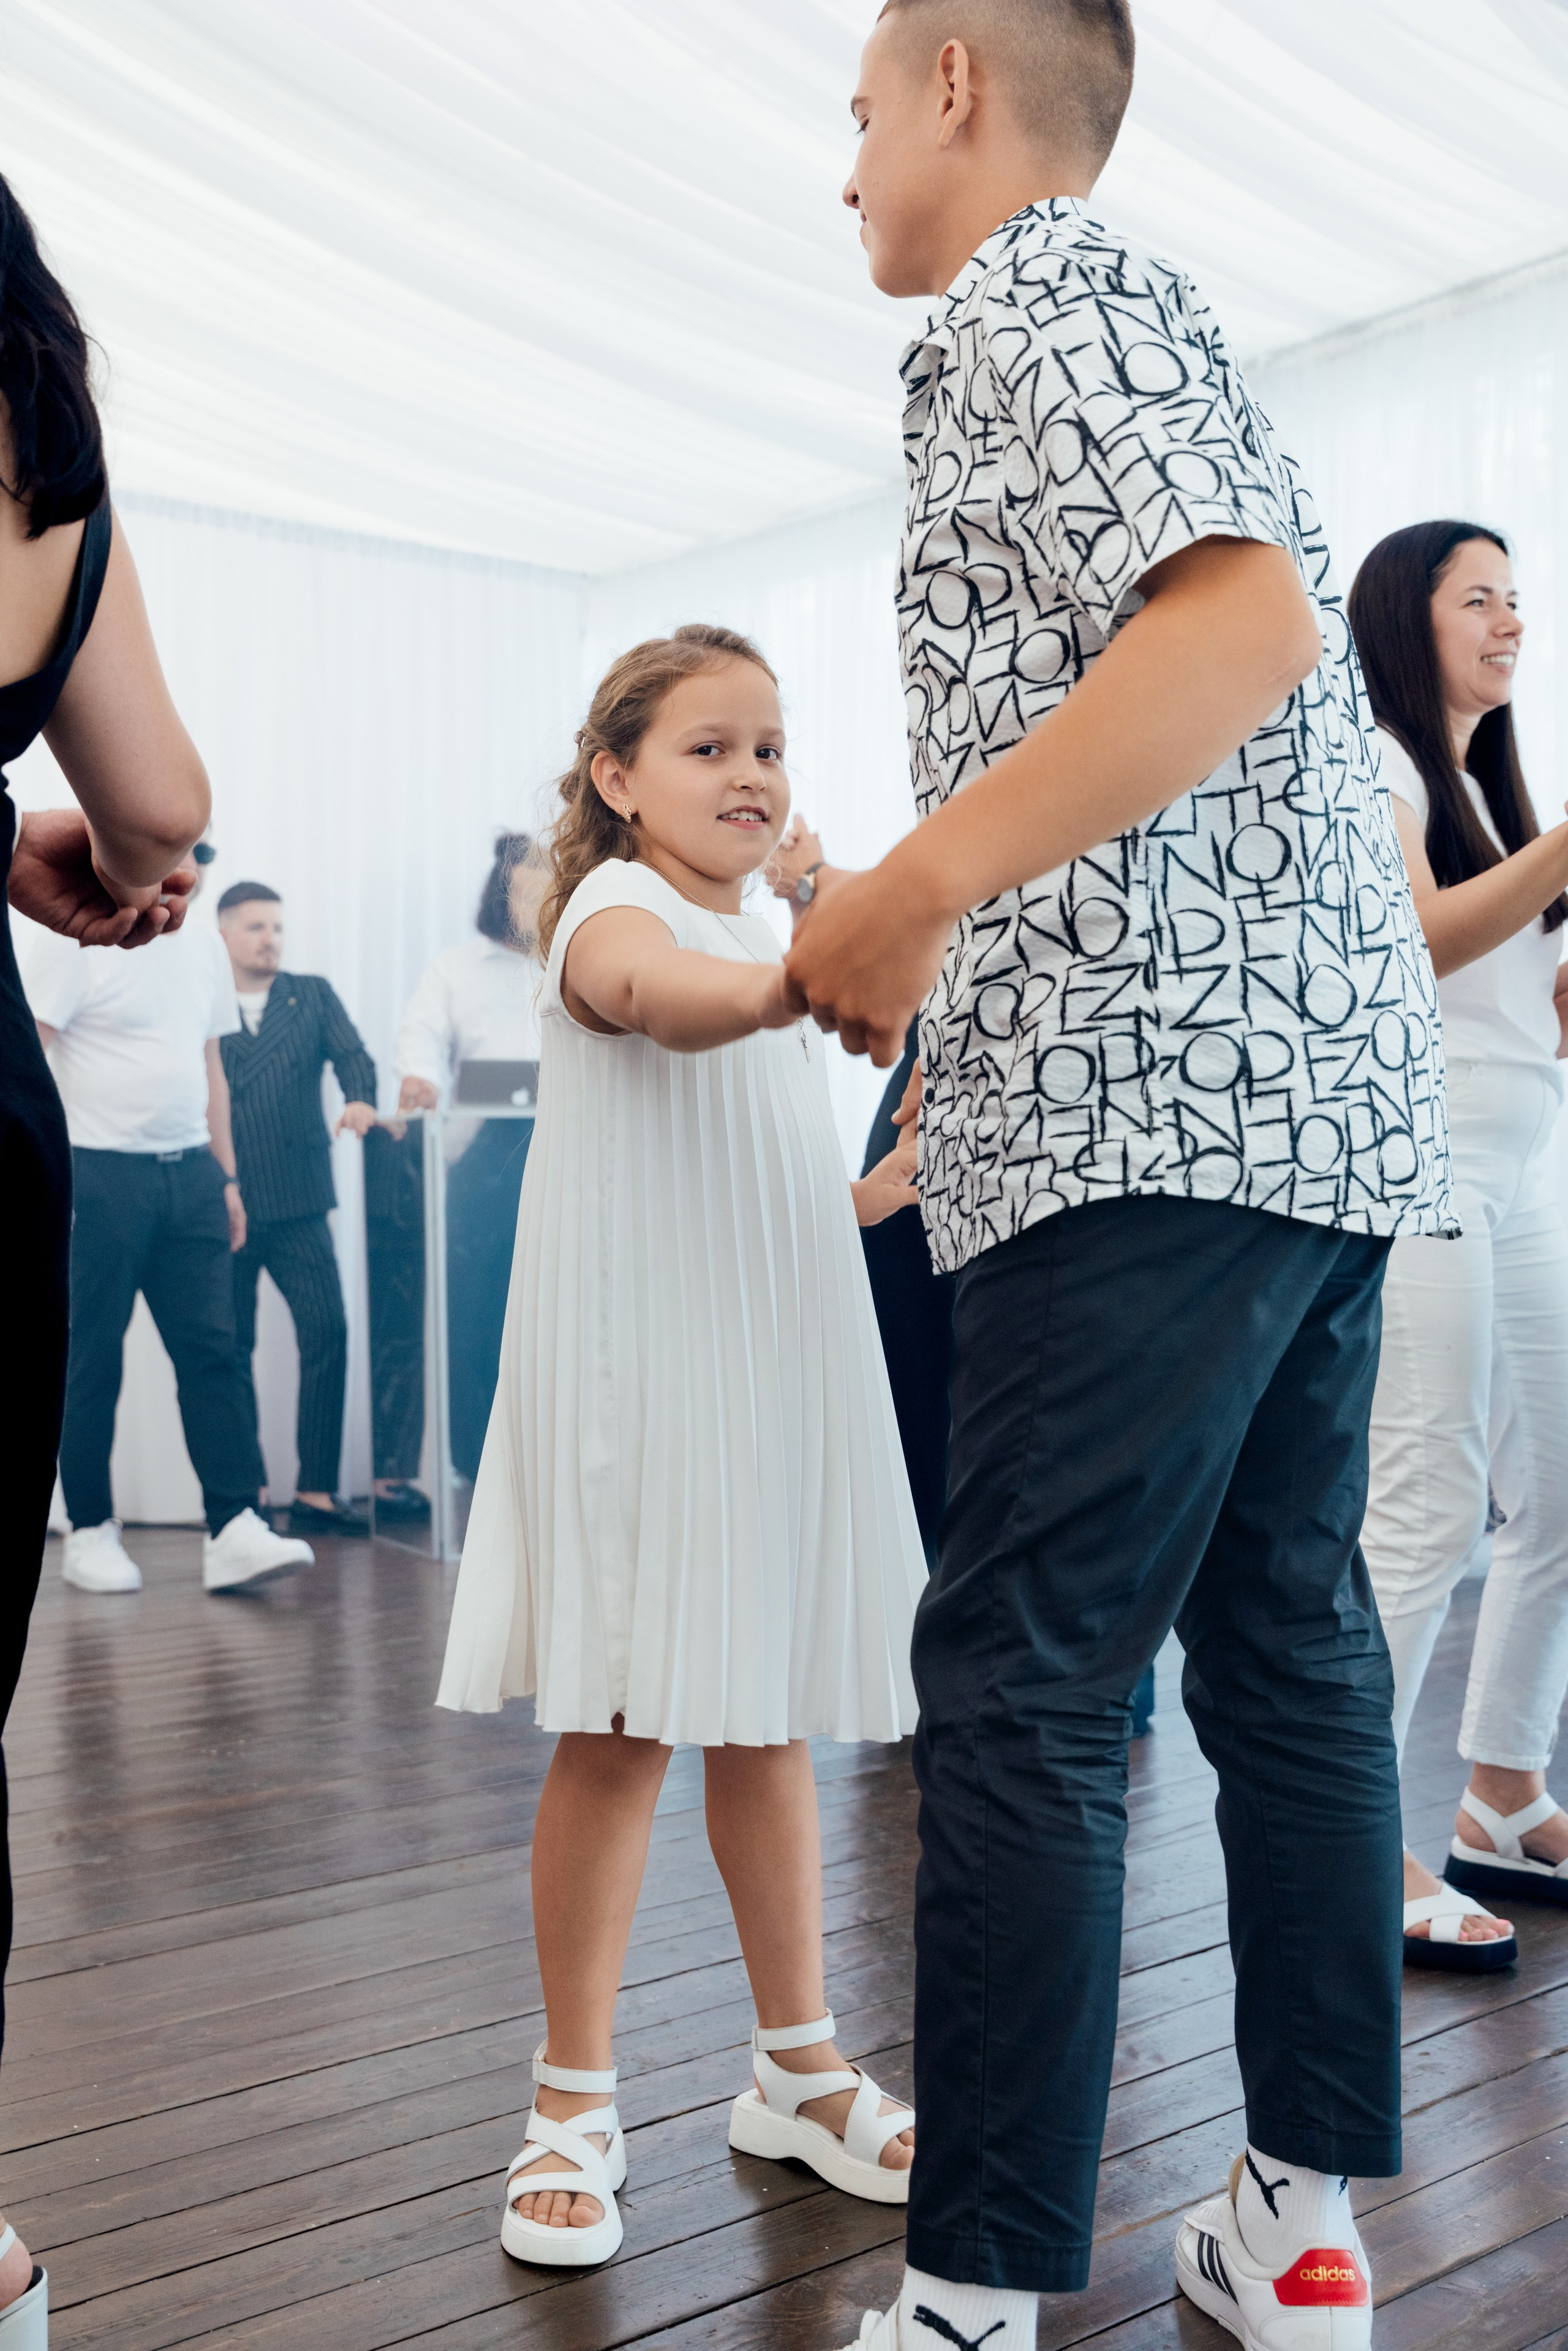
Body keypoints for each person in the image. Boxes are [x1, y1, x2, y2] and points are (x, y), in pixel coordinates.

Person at [784, 11, 1455, 2350]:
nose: (844, 169)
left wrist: (908, 886)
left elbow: (1243, 620)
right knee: (1285, 1635)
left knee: (1027, 1676)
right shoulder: (1142, 312)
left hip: (1143, 1109)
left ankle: (972, 2294)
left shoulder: (1039, 287)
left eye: (859, 113)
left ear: (958, 81)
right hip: (1299, 1105)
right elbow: (1210, 711)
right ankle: (1297, 2223)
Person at [435, 625, 927, 2270]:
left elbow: (741, 1159)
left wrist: (864, 1192)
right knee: (624, 1723)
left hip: (760, 1364)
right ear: (617, 776)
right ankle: (569, 2096)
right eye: (708, 746)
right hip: (644, 1379)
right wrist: (809, 965)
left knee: (762, 1713)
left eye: (769, 746)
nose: (750, 773)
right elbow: (668, 1007)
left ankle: (798, 2063)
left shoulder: (761, 930)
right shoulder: (613, 913)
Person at [1347, 523, 1568, 1972]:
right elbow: (1413, 943)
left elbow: (1506, 996)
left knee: (1559, 1478)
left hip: (1521, 1150)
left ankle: (1499, 1788)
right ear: (1402, 620)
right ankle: (1352, 1833)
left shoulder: (1489, 791)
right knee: (1425, 1491)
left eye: (1514, 599)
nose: (1507, 621)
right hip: (1417, 1152)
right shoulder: (1377, 760)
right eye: (1474, 598)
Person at [23, 858, 315, 1601]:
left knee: (215, 1353)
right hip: (99, 1176)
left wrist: (227, 1178)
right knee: (91, 1359)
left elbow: (211, 1064)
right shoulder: (78, 939)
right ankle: (89, 1528)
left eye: (197, 853)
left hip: (192, 1177)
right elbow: (29, 1057)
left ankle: (234, 1524)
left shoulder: (203, 948)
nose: (187, 869)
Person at [217, 881, 379, 1538]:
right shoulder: (204, 1000)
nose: (271, 939)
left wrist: (360, 1098)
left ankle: (316, 1488)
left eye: (278, 927)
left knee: (327, 1332)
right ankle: (244, 1490)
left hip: (300, 1199)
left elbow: (354, 1057)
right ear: (224, 933)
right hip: (224, 1201)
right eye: (256, 927)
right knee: (230, 1349)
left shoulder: (310, 995)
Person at [395, 833, 544, 1482]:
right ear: (500, 895)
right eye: (524, 892)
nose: (535, 905)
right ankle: (473, 1462)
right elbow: (420, 1041)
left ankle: (546, 1463)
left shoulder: (575, 961)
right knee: (474, 1311)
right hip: (482, 1157)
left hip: (562, 1148)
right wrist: (420, 1078)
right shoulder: (455, 969)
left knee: (552, 1311)